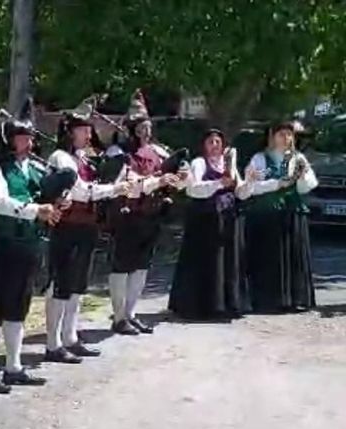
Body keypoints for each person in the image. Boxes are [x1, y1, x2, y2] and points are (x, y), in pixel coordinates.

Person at [0, 110, 63, 393]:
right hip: (2, 243)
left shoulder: (33, 169)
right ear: (8, 140)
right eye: (22, 138)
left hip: (29, 243)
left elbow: (45, 194)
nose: (28, 143)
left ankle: (13, 366)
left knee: (20, 304)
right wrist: (37, 210)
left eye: (30, 138)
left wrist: (59, 201)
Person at [44, 104, 129, 362]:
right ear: (70, 132)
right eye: (83, 130)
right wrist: (112, 190)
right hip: (67, 227)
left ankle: (70, 337)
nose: (88, 135)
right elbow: (81, 191)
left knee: (78, 284)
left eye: (88, 131)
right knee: (61, 284)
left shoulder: (82, 158)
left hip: (86, 226)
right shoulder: (60, 158)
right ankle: (52, 343)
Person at [106, 90, 186, 335]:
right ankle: (118, 316)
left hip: (152, 215)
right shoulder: (117, 153)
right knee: (121, 266)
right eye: (140, 127)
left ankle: (130, 314)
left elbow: (180, 180)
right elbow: (129, 183)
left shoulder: (159, 151)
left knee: (141, 267)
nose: (146, 131)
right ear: (130, 128)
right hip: (126, 215)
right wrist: (159, 181)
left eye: (148, 127)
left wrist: (180, 175)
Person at [239, 120, 318, 313]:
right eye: (282, 134)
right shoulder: (260, 159)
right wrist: (276, 184)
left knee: (293, 256)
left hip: (292, 214)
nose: (286, 138)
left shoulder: (298, 158)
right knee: (267, 257)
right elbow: (251, 188)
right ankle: (266, 299)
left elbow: (310, 184)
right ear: (272, 137)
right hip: (266, 215)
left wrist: (301, 178)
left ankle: (294, 298)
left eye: (289, 134)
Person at [168, 128, 245, 320]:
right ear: (204, 145)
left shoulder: (228, 164)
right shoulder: (199, 163)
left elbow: (240, 190)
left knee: (226, 260)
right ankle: (199, 305)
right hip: (204, 217)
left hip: (227, 217)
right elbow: (193, 190)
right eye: (211, 141)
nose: (215, 145)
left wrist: (249, 183)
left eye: (218, 142)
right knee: (205, 260)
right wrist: (219, 183)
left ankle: (225, 304)